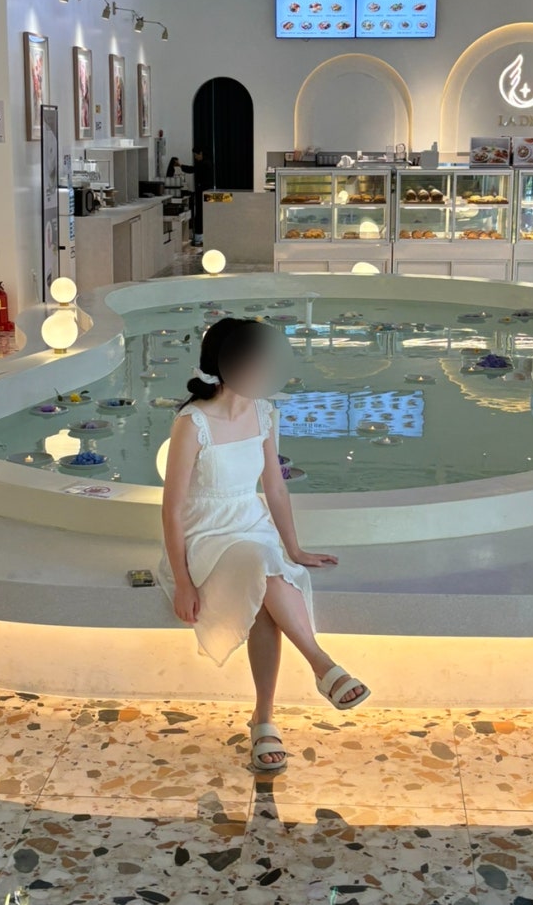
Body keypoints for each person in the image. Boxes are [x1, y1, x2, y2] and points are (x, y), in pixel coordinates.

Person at [159, 318, 370, 772]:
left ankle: (265, 718)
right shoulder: (192, 423)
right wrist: (182, 582)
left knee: (264, 582)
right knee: (261, 563)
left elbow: (274, 487)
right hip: (206, 534)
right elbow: (172, 509)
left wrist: (296, 549)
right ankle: (320, 665)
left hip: (250, 524)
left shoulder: (265, 413)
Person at [180, 147, 214, 247]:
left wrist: (180, 165)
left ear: (200, 153)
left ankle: (199, 239)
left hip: (203, 193)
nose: (195, 157)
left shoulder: (204, 164)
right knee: (202, 214)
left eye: (196, 155)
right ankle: (202, 238)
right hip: (205, 193)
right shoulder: (207, 163)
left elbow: (192, 169)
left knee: (200, 214)